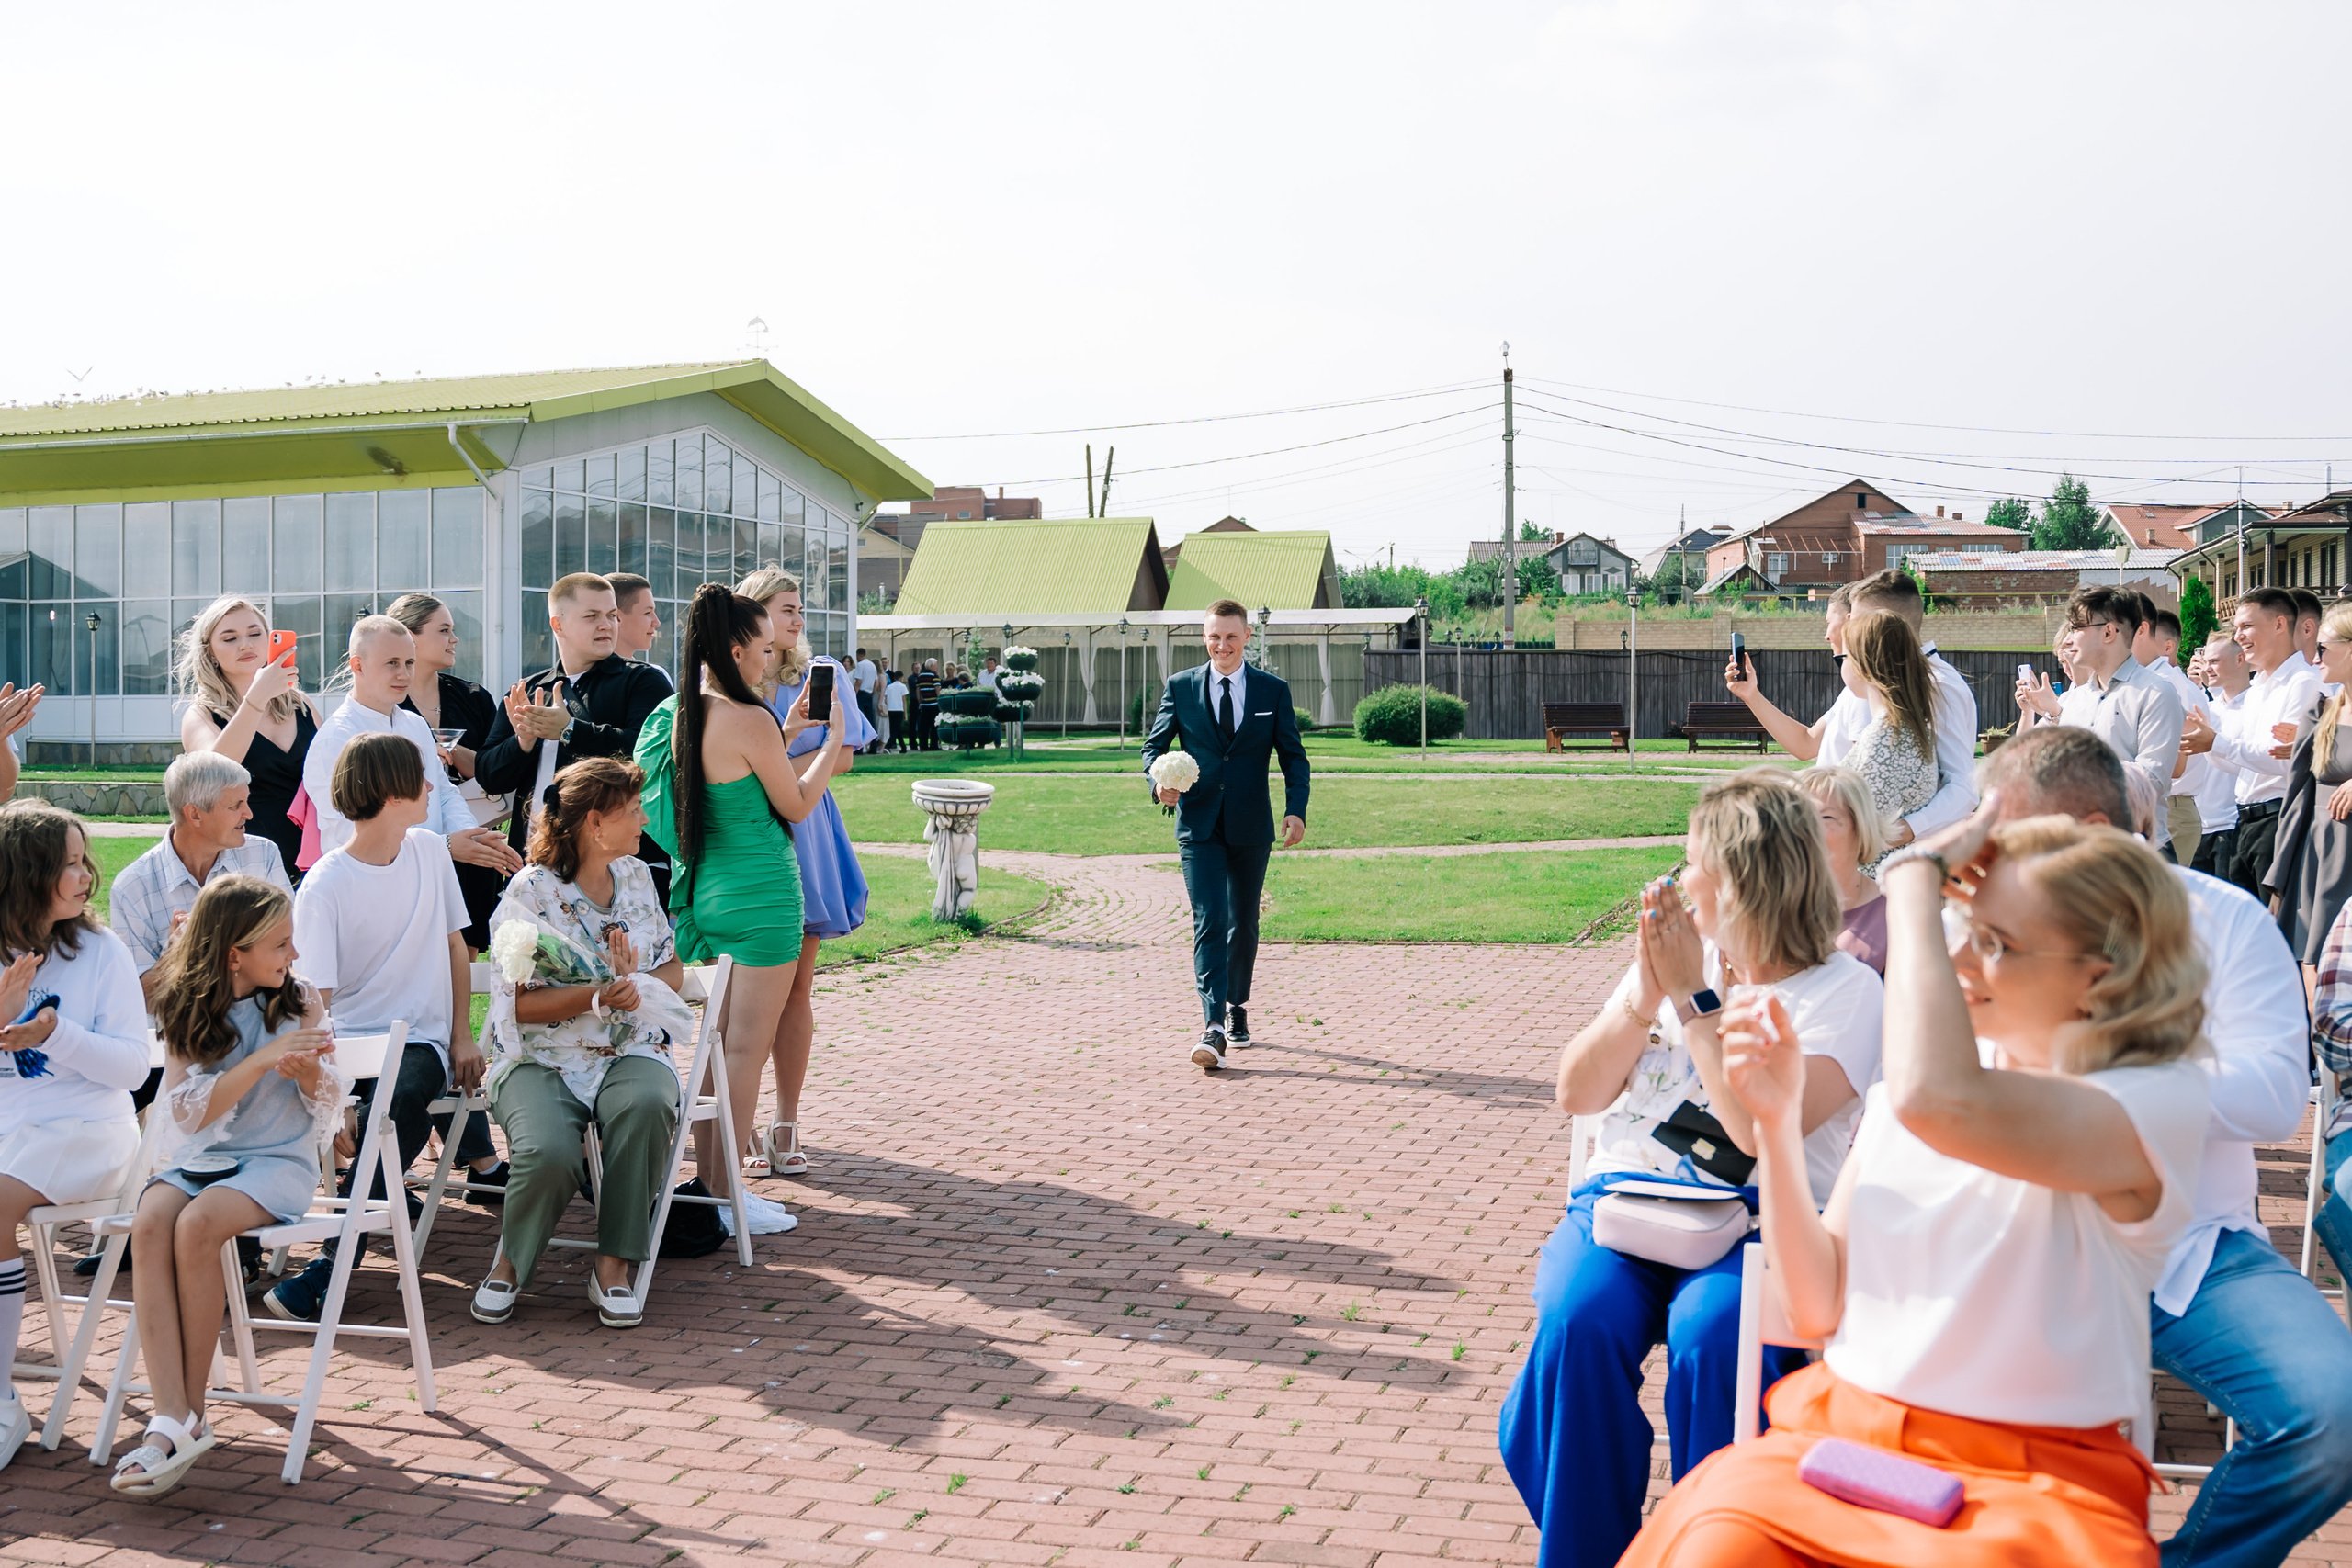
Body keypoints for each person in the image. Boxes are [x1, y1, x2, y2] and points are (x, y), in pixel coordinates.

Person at [1623, 811, 2210, 1567]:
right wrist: (1775, 1124)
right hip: (1842, 1444)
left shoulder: (2154, 1100)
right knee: (1713, 1548)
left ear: (2101, 976)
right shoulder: (1912, 1092)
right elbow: (1815, 1306)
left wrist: (1908, 881)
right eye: (1964, 930)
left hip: (2029, 1480)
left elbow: (1945, 1100)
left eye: (1995, 944)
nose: (1959, 958)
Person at [1975, 726, 2352, 1565]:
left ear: (2093, 832)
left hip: (2194, 1244)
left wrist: (2098, 1071)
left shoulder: (2224, 918)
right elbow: (1940, 1086)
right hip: (2007, 1237)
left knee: (2333, 1410)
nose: (1993, 857)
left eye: (2012, 835)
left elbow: (2273, 1095)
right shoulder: (1980, 922)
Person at [1498, 768, 1883, 1568]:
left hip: (1758, 1226)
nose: (1676, 879)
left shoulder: (1845, 992)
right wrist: (1644, 999)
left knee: (1715, 1335)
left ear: (1743, 879)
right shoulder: (1683, 957)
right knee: (1578, 1318)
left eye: (1691, 862)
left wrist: (1692, 1001)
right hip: (1625, 1208)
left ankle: (1719, 1545)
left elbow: (1755, 1131)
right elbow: (1576, 1092)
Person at [113, 874, 334, 1497]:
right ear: (235, 953)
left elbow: (330, 1105)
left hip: (278, 1161)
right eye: (280, 944)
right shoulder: (187, 1003)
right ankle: (171, 1413)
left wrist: (307, 1072)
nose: (293, 953)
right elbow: (187, 1115)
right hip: (206, 1156)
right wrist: (261, 1061)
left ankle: (190, 1414)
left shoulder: (299, 999)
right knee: (150, 1221)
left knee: (198, 1223)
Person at [266, 733, 496, 1323]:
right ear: (390, 793)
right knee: (379, 1115)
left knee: (398, 1098)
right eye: (420, 776)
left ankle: (331, 1263)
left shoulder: (429, 851)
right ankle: (331, 1236)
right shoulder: (325, 884)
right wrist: (333, 1098)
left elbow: (456, 946)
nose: (431, 785)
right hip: (345, 1046)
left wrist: (462, 1036)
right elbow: (314, 1004)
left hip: (420, 1043)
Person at [632, 586, 843, 1227]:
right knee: (745, 1051)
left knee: (714, 1047)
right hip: (763, 898)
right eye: (764, 649)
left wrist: (788, 730)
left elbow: (731, 772)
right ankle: (727, 1196)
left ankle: (709, 1186)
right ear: (733, 649)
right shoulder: (748, 717)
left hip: (711, 892)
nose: (770, 660)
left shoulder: (685, 712)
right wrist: (830, 742)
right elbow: (796, 804)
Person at [472, 759, 688, 1331]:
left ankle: (613, 1267)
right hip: (541, 1056)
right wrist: (596, 995)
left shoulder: (637, 877)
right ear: (595, 822)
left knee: (647, 1105)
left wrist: (635, 985)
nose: (644, 819)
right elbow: (515, 1005)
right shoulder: (531, 891)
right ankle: (510, 1262)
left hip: (631, 1048)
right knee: (549, 1151)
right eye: (633, 810)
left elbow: (672, 968)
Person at [0, 804, 149, 1473]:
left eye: (84, 859)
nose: (86, 875)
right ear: (26, 874)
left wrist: (54, 1032)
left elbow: (134, 1069)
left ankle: (3, 1402)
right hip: (12, 1131)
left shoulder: (100, 950)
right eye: (68, 863)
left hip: (89, 1131)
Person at [1142, 600, 1312, 1071]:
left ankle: (1237, 1004)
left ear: (1246, 638)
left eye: (1231, 636)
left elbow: (1293, 757)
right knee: (1210, 919)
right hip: (1198, 827)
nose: (1222, 645)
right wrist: (1159, 784)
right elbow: (1154, 748)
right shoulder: (1180, 687)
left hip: (1251, 826)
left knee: (1243, 921)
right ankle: (1213, 1025)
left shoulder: (1272, 691)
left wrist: (1295, 810)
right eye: (1214, 637)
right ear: (1204, 637)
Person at [740, 567, 869, 1179]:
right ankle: (736, 1118)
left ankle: (786, 1120)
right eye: (784, 608)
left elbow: (843, 756)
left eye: (799, 609)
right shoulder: (732, 679)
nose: (796, 619)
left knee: (798, 986)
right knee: (736, 991)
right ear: (754, 615)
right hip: (745, 833)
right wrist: (784, 764)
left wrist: (772, 770)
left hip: (807, 828)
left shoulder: (822, 674)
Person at [477, 573, 676, 903]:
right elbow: (490, 775)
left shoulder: (643, 681)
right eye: (592, 616)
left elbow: (646, 756)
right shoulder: (529, 690)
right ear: (558, 624)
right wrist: (522, 742)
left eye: (611, 615)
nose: (606, 625)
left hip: (620, 867)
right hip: (534, 866)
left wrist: (570, 730)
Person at [301, 616, 518, 879]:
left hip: (428, 876)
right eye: (392, 663)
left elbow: (443, 793)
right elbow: (348, 831)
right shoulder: (335, 739)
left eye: (409, 662)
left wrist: (470, 835)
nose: (404, 674)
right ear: (358, 665)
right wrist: (446, 846)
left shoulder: (415, 724)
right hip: (366, 882)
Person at [111, 752, 291, 1008]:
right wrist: (177, 954)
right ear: (194, 814)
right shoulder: (132, 888)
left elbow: (291, 953)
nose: (249, 814)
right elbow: (139, 1000)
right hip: (181, 1029)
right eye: (236, 806)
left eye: (247, 802)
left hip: (261, 1020)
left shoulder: (264, 856)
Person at [2015, 586, 2188, 853]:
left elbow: (2151, 779)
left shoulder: (2156, 693)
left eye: (2076, 628)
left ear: (2108, 632)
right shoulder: (2074, 700)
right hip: (2082, 849)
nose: (2068, 640)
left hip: (2136, 853)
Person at [384, 593, 509, 952]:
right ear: (409, 636)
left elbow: (494, 770)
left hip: (473, 834)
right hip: (408, 846)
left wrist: (450, 754)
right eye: (443, 630)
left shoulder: (474, 697)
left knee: (466, 947)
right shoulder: (387, 703)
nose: (454, 639)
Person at [2183, 586, 2324, 900]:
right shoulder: (2258, 686)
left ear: (2279, 624)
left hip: (2278, 820)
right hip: (2245, 824)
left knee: (2276, 922)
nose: (2239, 636)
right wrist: (2208, 743)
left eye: (2247, 626)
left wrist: (2216, 742)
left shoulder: (2302, 683)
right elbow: (2244, 763)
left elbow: (2282, 760)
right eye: (2236, 628)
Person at [175, 597, 321, 882]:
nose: (245, 645)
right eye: (230, 638)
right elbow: (215, 774)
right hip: (245, 862)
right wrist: (256, 698)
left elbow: (334, 773)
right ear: (210, 652)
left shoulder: (301, 704)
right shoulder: (201, 715)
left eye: (255, 634)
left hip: (313, 857)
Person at [1846, 569, 1978, 845]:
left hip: (1911, 852)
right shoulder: (1892, 680)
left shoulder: (1938, 685)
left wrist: (1905, 830)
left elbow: (1964, 786)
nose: (1850, 627)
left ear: (1889, 622)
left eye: (1858, 619)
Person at [2266, 601, 2352, 964]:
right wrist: (2280, 879)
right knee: (2310, 962)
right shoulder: (2320, 712)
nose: (2315, 658)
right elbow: (2297, 797)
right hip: (2318, 853)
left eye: (2323, 648)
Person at [1722, 586, 1866, 764]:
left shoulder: (1864, 697)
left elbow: (1864, 775)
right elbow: (1805, 744)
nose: (1826, 636)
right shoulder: (1855, 692)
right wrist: (1751, 694)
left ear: (1851, 621)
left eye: (1829, 622)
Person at [1838, 610, 1939, 852]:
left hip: (1875, 873)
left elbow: (1867, 831)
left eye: (1844, 657)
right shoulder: (1907, 726)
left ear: (1862, 665)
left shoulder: (1885, 737)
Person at [2135, 604, 2214, 868]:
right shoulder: (2159, 682)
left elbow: (2176, 764)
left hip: (2173, 810)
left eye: (2140, 634)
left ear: (2167, 647)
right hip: (2165, 807)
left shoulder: (2171, 685)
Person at [1794, 764, 1887, 973]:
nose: (1805, 830)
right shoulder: (1769, 909)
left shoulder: (1895, 913)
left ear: (1861, 827)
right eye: (1796, 817)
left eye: (1825, 818)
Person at [2186, 633, 2249, 879]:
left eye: (2214, 661)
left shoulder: (2256, 706)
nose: (2207, 668)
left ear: (2240, 660)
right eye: (2205, 661)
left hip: (2232, 825)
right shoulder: (2206, 708)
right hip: (2198, 827)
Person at [605, 572, 669, 680]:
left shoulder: (655, 674)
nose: (657, 623)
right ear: (617, 617)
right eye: (647, 613)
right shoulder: (651, 678)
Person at [850, 646, 879, 750]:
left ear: (858, 655)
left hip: (861, 694)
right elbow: (876, 683)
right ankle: (874, 746)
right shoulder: (872, 665)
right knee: (871, 720)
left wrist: (854, 695)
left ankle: (860, 748)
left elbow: (858, 682)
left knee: (860, 720)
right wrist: (872, 693)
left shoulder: (860, 665)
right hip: (869, 694)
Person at [911, 660, 941, 750]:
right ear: (931, 665)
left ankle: (923, 746)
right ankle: (933, 745)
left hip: (924, 705)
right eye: (936, 665)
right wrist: (940, 701)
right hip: (934, 704)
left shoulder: (920, 676)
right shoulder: (934, 675)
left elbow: (918, 691)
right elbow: (937, 690)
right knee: (934, 726)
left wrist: (920, 702)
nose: (937, 667)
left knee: (924, 726)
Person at [884, 668, 909, 752]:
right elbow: (904, 700)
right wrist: (906, 713)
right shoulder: (903, 687)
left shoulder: (889, 687)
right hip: (899, 710)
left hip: (891, 710)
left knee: (894, 729)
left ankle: (903, 747)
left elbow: (885, 700)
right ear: (901, 678)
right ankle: (887, 746)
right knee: (896, 729)